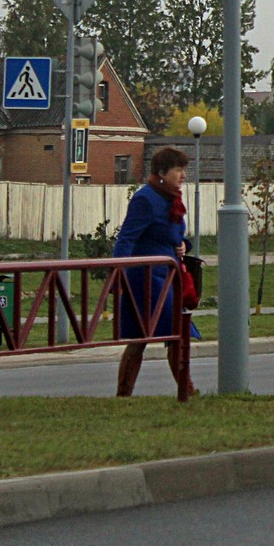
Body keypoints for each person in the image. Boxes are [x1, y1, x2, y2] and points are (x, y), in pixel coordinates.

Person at [113, 146, 195, 397]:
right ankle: (186, 391)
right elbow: (126, 239)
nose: (183, 175)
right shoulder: (146, 199)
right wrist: (118, 275)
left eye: (184, 170)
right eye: (178, 170)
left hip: (167, 276)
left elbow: (170, 234)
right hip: (146, 278)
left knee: (160, 335)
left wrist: (183, 245)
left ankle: (183, 391)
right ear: (161, 172)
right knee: (163, 334)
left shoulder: (171, 198)